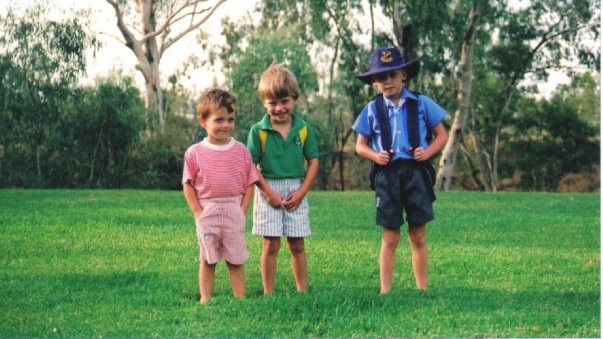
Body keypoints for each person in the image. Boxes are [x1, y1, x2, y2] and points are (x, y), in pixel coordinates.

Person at [351, 47, 448, 293]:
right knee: (390, 236)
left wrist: (427, 152)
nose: (388, 81)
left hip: (416, 173)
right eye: (381, 78)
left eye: (393, 75)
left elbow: (441, 135)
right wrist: (376, 155)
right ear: (374, 83)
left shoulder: (421, 103)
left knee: (418, 235)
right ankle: (385, 290)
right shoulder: (372, 110)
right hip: (388, 175)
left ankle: (422, 288)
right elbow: (360, 146)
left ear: (403, 75)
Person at [247, 64, 320, 295]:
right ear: (264, 103)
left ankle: (302, 290)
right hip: (268, 188)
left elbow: (314, 162)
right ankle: (268, 292)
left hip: (296, 188)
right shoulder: (258, 131)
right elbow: (250, 165)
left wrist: (301, 193)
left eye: (284, 101)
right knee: (271, 244)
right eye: (272, 103)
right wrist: (269, 193)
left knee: (297, 244)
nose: (279, 108)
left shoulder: (303, 129)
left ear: (295, 100)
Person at [182, 88, 259, 304]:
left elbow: (250, 182)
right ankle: (205, 298)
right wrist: (198, 211)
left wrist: (242, 209)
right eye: (219, 120)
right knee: (208, 258)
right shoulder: (194, 152)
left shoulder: (241, 150)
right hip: (207, 210)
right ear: (203, 121)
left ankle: (240, 297)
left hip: (234, 208)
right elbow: (187, 185)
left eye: (230, 119)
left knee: (235, 258)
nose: (226, 125)